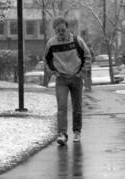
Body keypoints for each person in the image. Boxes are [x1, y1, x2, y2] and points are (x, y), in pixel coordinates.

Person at [44, 17, 91, 145]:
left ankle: (77, 131)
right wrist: (54, 72)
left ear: (67, 28)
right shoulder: (51, 44)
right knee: (62, 107)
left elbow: (87, 56)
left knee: (77, 106)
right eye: (58, 31)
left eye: (63, 30)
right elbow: (47, 61)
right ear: (55, 31)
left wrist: (81, 73)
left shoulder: (77, 41)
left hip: (76, 77)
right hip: (61, 80)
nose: (61, 33)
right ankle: (62, 134)